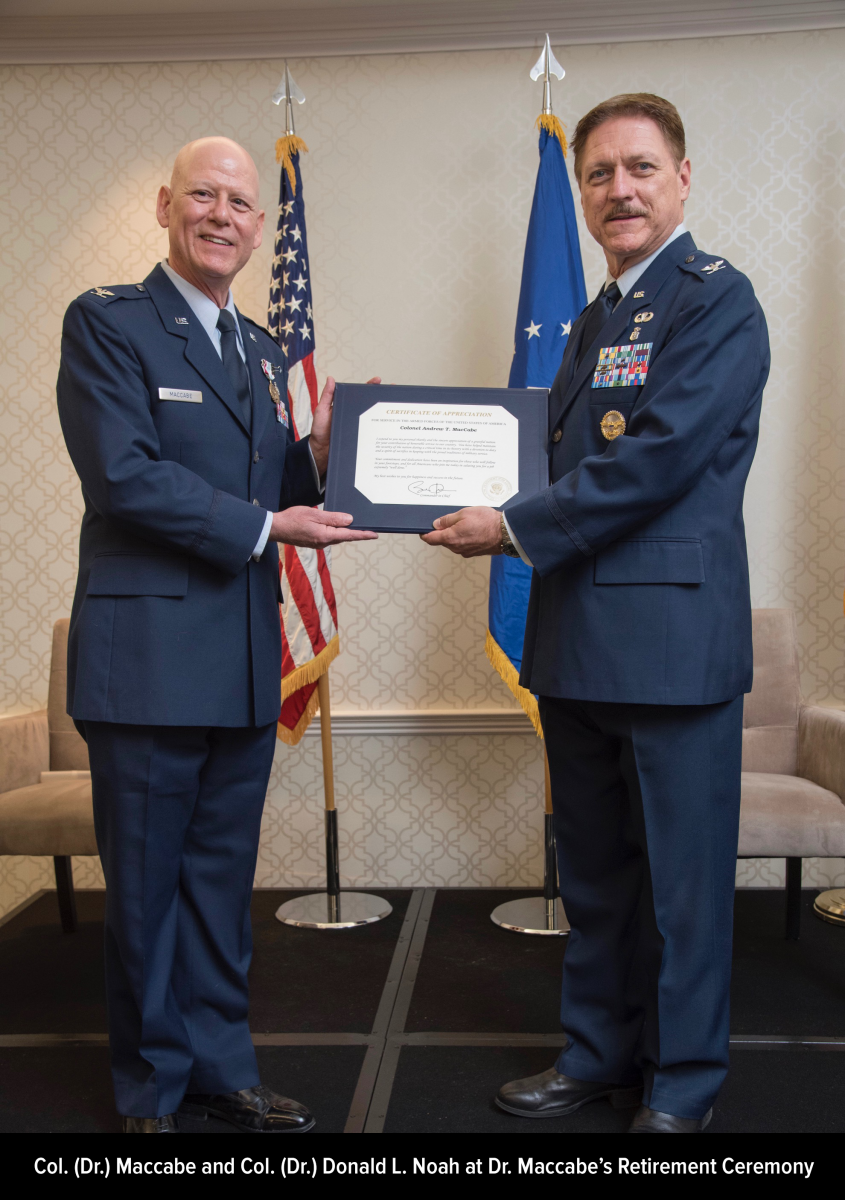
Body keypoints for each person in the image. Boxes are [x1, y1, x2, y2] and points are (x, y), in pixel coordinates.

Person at [422, 94, 769, 1133]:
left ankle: (681, 1086)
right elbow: (536, 456)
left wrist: (510, 528)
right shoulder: (589, 319)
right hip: (572, 641)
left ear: (681, 178)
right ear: (579, 192)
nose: (618, 189)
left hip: (668, 646)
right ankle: (594, 1056)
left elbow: (652, 462)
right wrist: (381, 440)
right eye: (598, 174)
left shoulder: (717, 302)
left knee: (681, 891)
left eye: (639, 168)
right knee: (597, 877)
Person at [57, 137, 379, 1133]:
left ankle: (220, 1066)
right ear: (164, 205)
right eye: (205, 195)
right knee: (149, 894)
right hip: (148, 665)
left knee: (216, 885)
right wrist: (266, 524)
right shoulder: (109, 324)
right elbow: (126, 476)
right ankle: (150, 1090)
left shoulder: (255, 347)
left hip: (243, 658)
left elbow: (262, 489)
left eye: (242, 203)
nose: (225, 215)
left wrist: (318, 459)